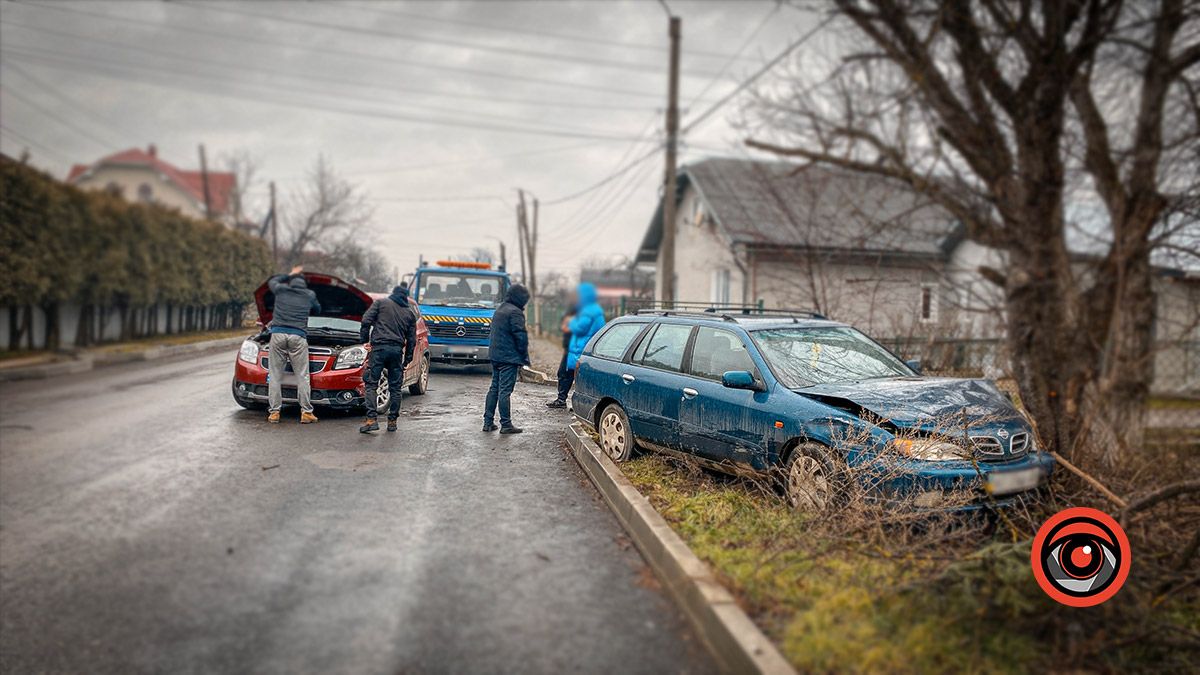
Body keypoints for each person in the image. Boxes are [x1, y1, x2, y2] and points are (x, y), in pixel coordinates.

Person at [358, 283, 419, 434]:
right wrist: (407, 359)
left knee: (371, 383)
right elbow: (412, 340)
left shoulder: (381, 303)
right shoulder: (409, 313)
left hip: (379, 349)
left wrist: (365, 341)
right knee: (395, 387)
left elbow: (366, 321)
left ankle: (371, 420)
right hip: (397, 351)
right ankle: (392, 421)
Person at [266, 265, 321, 424]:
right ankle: (306, 412)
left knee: (275, 375)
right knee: (302, 376)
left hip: (278, 334)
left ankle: (274, 413)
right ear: (304, 284)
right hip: (298, 335)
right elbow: (318, 310)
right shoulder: (309, 294)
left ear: (291, 282)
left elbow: (272, 281)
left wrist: (289, 274)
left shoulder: (281, 289)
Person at [548, 282, 605, 409]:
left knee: (572, 375)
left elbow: (579, 328)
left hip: (580, 349)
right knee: (570, 375)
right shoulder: (592, 310)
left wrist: (570, 322)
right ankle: (567, 401)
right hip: (580, 348)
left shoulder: (589, 311)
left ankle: (575, 404)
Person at [483, 283, 531, 434]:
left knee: (494, 389)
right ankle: (506, 424)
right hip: (508, 358)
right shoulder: (515, 313)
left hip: (496, 356)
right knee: (505, 391)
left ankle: (488, 422)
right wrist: (524, 357)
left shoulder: (500, 309)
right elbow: (520, 337)